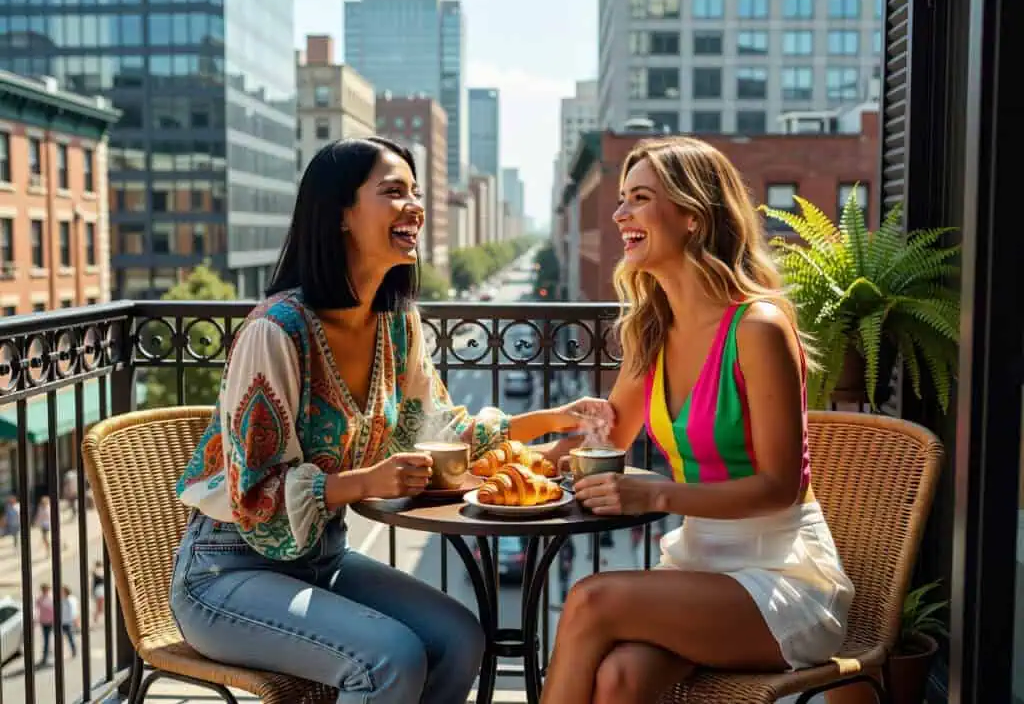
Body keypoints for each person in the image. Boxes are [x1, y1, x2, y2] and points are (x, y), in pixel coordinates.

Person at [169, 137, 613, 704]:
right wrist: (365, 483)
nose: (415, 206)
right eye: (393, 192)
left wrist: (551, 422)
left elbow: (441, 430)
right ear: (341, 216)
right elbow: (254, 496)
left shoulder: (396, 326)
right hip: (226, 575)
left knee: (459, 639)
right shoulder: (276, 332)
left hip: (319, 559)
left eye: (416, 192)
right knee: (391, 659)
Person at [541, 137, 855, 704]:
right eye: (620, 199)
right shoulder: (651, 329)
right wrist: (503, 465)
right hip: (700, 566)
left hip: (780, 575)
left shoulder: (758, 328)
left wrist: (658, 498)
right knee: (619, 679)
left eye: (639, 198)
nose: (619, 215)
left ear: (691, 215)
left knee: (589, 599)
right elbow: (606, 437)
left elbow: (780, 488)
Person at [35, 583, 54, 667]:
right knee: (46, 639)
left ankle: (48, 654)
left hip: (52, 621)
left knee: (53, 639)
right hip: (44, 622)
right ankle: (45, 656)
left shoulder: (51, 597)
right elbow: (37, 609)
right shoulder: (40, 598)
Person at [60, 585, 79, 658]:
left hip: (68, 622)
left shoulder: (70, 599)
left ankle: (73, 651)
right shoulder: (62, 599)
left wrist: (75, 620)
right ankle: (64, 652)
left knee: (70, 637)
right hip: (62, 621)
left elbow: (74, 611)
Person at [91, 560, 106, 625]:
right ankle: (95, 618)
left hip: (99, 590)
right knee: (99, 606)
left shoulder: (97, 571)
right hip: (99, 590)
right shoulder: (97, 571)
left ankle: (96, 618)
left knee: (100, 607)